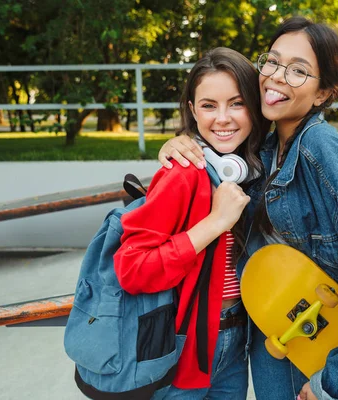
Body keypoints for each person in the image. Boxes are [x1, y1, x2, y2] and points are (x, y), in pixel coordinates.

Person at [157, 16, 338, 400]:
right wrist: (178, 144)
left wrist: (336, 386)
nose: (277, 76)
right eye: (273, 61)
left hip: (318, 364)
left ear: (323, 93)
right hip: (276, 349)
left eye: (298, 70)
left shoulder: (325, 155)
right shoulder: (265, 150)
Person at [113, 47, 269, 399]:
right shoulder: (184, 172)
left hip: (237, 341)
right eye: (209, 105)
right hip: (184, 349)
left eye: (237, 103)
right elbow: (133, 268)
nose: (223, 118)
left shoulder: (256, 169)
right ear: (192, 110)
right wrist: (215, 223)